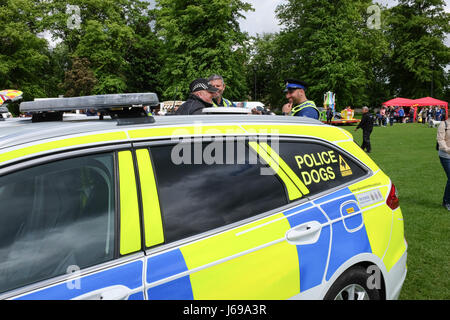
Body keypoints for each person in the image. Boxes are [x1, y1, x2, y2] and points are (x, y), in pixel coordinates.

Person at [437, 117, 450, 211]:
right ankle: (446, 202)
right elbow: (440, 140)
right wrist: (448, 150)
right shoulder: (443, 124)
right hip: (446, 155)